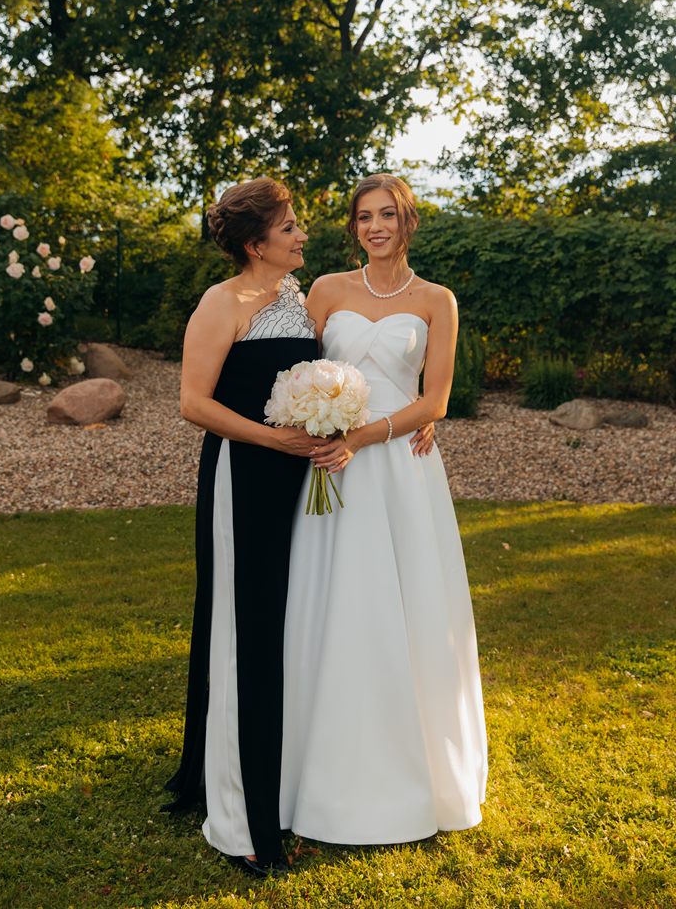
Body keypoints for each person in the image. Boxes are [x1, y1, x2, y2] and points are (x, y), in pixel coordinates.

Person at [280, 173, 488, 845]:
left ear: (407, 222)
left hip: (399, 466)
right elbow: (293, 371)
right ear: (354, 227)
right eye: (364, 217)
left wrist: (366, 437)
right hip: (329, 465)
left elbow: (435, 400)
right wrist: (310, 420)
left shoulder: (436, 300)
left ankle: (414, 769)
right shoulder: (325, 291)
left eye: (387, 215)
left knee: (410, 604)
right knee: (332, 599)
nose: (375, 227)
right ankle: (317, 764)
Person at [162, 177, 325, 876]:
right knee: (245, 628)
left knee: (290, 622)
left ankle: (287, 776)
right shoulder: (219, 303)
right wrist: (272, 439)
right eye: (289, 227)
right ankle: (240, 812)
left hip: (301, 478)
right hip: (245, 478)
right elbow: (193, 403)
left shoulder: (298, 296)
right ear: (256, 244)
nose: (301, 235)